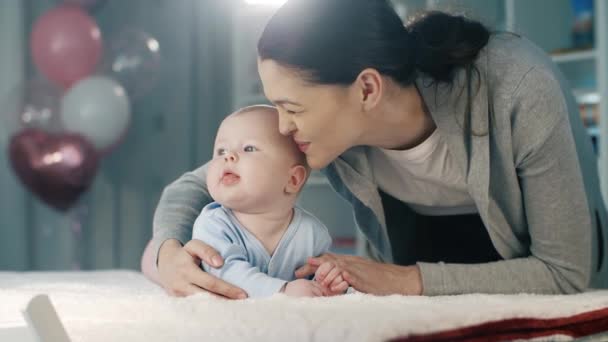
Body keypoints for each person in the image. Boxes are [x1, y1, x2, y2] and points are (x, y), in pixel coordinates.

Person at [142, 0, 608, 298]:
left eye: (292, 107)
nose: (281, 126)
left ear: (367, 90)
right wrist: (167, 253)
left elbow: (565, 272)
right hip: (431, 311)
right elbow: (193, 186)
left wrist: (406, 280)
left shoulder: (518, 89)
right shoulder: (324, 129)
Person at [192, 106, 347, 298]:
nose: (228, 156)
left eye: (249, 148)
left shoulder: (313, 234)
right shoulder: (213, 224)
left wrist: (327, 285)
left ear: (292, 180)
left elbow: (310, 281)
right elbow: (226, 274)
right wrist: (283, 290)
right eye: (220, 150)